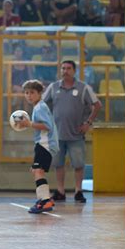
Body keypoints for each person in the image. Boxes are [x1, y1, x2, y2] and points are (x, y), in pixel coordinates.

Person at [43, 60, 102, 203]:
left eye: (68, 68)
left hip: (76, 134)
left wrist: (88, 123)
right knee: (58, 164)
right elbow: (43, 105)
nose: (65, 71)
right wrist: (47, 123)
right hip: (57, 135)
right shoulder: (53, 87)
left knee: (78, 164)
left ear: (74, 71)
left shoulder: (83, 88)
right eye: (63, 68)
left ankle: (78, 191)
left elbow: (97, 105)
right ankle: (61, 191)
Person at [17, 79, 59, 213]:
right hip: (43, 144)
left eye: (32, 92)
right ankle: (44, 199)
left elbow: (47, 126)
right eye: (26, 93)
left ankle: (45, 201)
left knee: (38, 171)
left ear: (40, 93)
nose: (29, 95)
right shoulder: (38, 106)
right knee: (37, 171)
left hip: (45, 144)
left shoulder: (40, 107)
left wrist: (29, 124)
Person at [11, 45, 33, 113]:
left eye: (19, 51)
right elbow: (8, 80)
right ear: (14, 52)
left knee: (25, 94)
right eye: (16, 51)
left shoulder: (26, 64)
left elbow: (30, 78)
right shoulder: (10, 64)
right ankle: (17, 114)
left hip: (25, 86)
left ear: (22, 52)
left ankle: (26, 116)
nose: (18, 53)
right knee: (20, 92)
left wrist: (30, 86)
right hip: (14, 86)